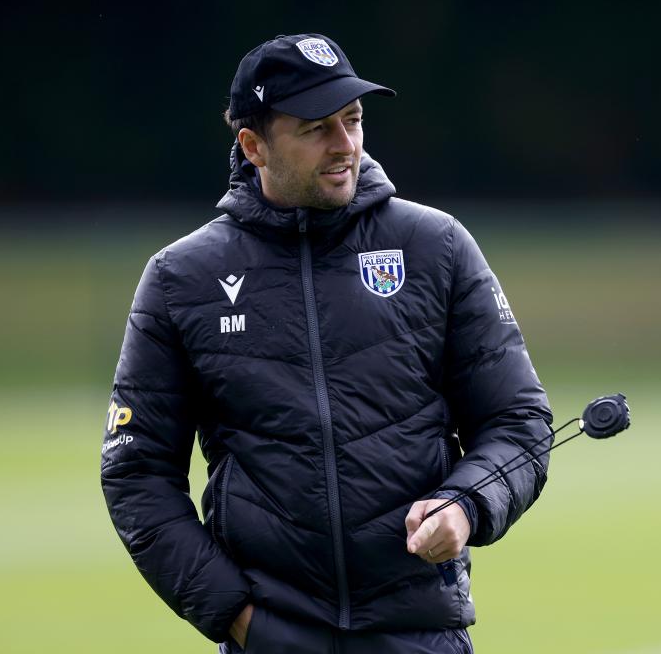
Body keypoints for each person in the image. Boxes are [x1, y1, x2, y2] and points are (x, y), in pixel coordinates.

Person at [100, 33, 553, 654]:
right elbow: (136, 473)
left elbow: (517, 421)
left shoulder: (436, 246)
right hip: (270, 637)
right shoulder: (181, 278)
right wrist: (238, 617)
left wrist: (465, 504)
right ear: (253, 146)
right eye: (316, 128)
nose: (345, 144)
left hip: (419, 636)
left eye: (354, 119)